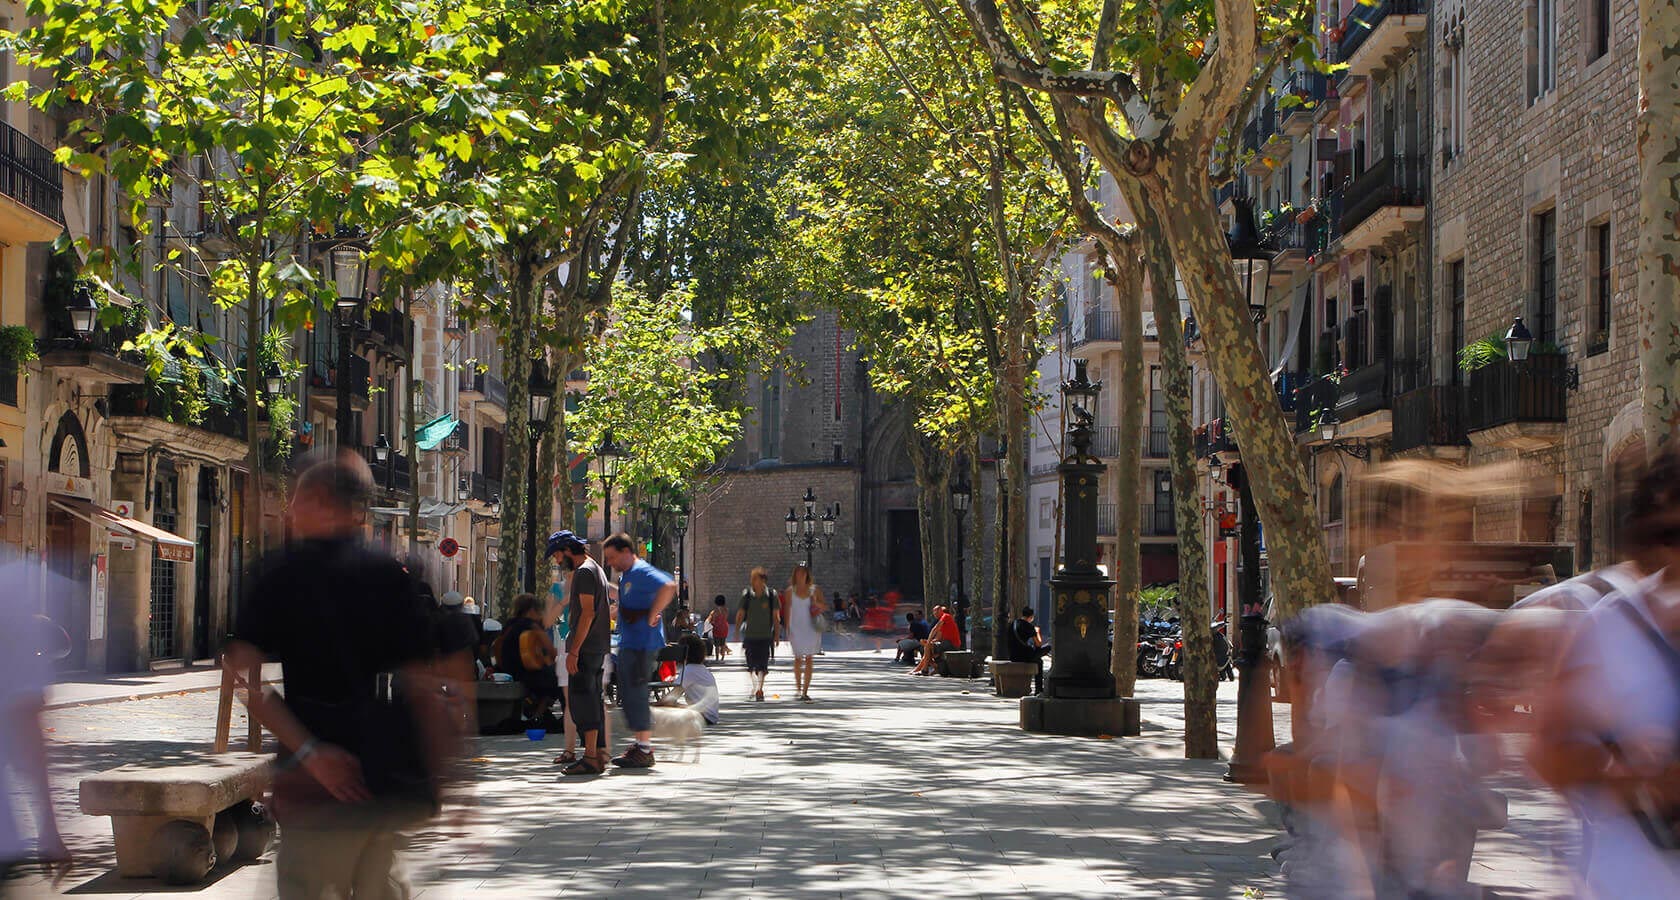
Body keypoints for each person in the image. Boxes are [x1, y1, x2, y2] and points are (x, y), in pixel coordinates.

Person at [224, 451, 455, 899]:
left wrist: (311, 752)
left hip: (311, 791)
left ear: (321, 501)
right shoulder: (391, 576)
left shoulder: (280, 574)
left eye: (297, 498)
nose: (290, 509)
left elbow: (240, 671)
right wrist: (446, 780)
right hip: (380, 784)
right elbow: (424, 687)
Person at [1531, 445, 1680, 896]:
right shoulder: (1613, 625)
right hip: (1630, 880)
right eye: (1668, 534)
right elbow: (1547, 752)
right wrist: (1633, 778)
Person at [601, 532, 677, 769]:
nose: (609, 563)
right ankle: (641, 745)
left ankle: (644, 749)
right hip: (630, 642)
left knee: (635, 692)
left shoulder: (641, 571)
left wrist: (654, 612)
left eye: (612, 557)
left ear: (626, 551)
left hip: (643, 643)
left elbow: (668, 586)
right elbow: (625, 601)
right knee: (629, 692)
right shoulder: (627, 576)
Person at [548, 531, 612, 776]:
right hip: (595, 646)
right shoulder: (596, 568)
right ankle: (597, 754)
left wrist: (574, 651)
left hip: (585, 647)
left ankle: (591, 757)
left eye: (557, 555)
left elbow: (587, 613)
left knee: (583, 701)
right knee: (592, 699)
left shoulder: (584, 572)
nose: (557, 560)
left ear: (567, 550)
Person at [499, 593, 562, 726]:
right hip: (527, 672)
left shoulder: (509, 624)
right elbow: (551, 650)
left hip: (508, 670)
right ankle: (538, 715)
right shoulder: (531, 625)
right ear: (532, 610)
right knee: (560, 673)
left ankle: (537, 711)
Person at [784, 564, 829, 701]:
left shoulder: (815, 590)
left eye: (803, 573)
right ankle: (798, 688)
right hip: (796, 628)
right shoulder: (790, 591)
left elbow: (824, 606)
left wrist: (816, 603)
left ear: (807, 575)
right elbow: (787, 610)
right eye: (798, 573)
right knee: (798, 658)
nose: (801, 575)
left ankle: (805, 691)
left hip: (811, 629)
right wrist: (787, 627)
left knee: (809, 658)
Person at [736, 567, 781, 701]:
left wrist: (777, 635)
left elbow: (776, 617)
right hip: (750, 635)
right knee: (751, 666)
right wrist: (737, 630)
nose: (753, 581)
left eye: (755, 578)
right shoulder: (747, 595)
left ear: (763, 580)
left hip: (765, 636)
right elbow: (740, 614)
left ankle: (759, 689)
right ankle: (756, 686)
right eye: (752, 578)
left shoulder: (771, 595)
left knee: (762, 666)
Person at [911, 605, 960, 676]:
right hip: (946, 643)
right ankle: (931, 668)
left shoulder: (946, 616)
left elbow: (935, 629)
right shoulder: (943, 624)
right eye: (934, 613)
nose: (934, 614)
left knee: (928, 647)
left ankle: (924, 669)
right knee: (928, 648)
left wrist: (928, 642)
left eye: (936, 612)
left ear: (940, 611)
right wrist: (929, 642)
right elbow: (938, 638)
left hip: (952, 644)